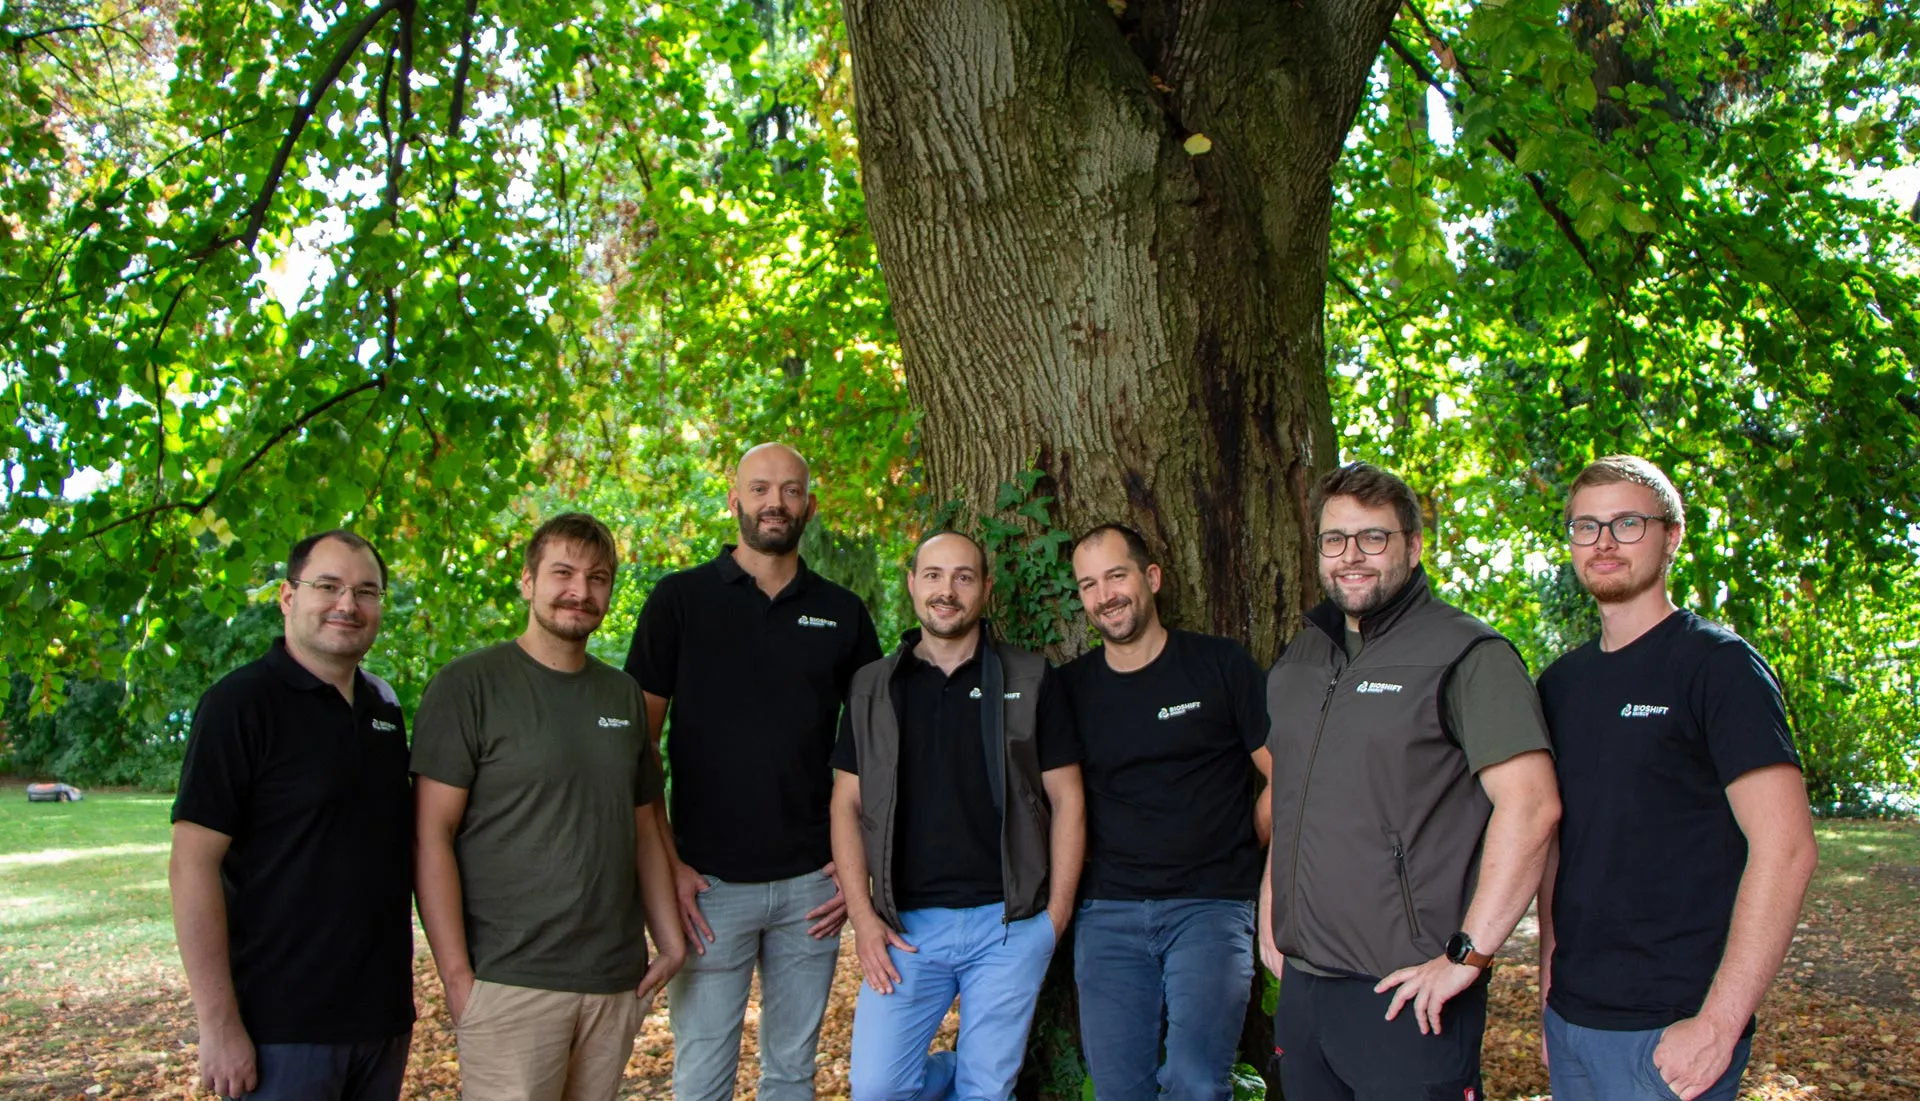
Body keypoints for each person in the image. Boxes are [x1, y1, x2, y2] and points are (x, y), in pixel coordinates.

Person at [1261, 462, 1562, 1101]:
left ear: (1414, 545)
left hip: (1408, 996)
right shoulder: (1301, 659)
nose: (1352, 556)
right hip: (1306, 990)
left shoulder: (1466, 654)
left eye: (1374, 538)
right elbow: (1293, 796)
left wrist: (1468, 955)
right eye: (1334, 539)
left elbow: (1532, 807)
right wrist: (1270, 911)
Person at [1536, 456, 1817, 1101]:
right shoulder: (1560, 685)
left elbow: (1789, 848)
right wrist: (1552, 988)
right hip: (1574, 1020)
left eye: (1627, 523)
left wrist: (1719, 1025)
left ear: (1673, 535)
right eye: (1586, 526)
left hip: (1672, 1031)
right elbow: (1561, 851)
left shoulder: (1719, 668)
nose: (1603, 542)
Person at [623, 442, 882, 1101]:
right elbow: (635, 750)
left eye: (791, 490)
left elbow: (876, 749)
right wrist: (666, 862)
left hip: (810, 889)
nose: (776, 501)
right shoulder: (679, 601)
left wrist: (862, 858)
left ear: (810, 507)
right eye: (761, 488)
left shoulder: (844, 613)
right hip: (707, 885)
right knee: (702, 1079)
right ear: (733, 499)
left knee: (791, 1074)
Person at [412, 512, 685, 1101]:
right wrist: (459, 981)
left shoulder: (622, 695)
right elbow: (431, 834)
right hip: (511, 982)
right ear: (528, 580)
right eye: (563, 573)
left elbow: (641, 827)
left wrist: (671, 942)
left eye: (598, 578)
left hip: (614, 984)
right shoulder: (468, 686)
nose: (580, 592)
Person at [830, 531, 1086, 1101]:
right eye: (935, 575)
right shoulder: (872, 687)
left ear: (986, 589)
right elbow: (845, 805)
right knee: (876, 1089)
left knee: (988, 1091)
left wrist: (1054, 920)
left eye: (964, 576)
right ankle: (953, 1069)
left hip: (1008, 927)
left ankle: (973, 1071)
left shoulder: (1031, 678)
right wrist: (864, 919)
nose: (948, 590)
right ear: (913, 584)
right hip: (907, 930)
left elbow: (1068, 799)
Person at [169, 529, 414, 1101]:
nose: (347, 604)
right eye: (327, 586)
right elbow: (192, 867)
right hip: (279, 1031)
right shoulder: (238, 705)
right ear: (287, 597)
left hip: (381, 1023)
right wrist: (218, 1024)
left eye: (366, 591)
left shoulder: (385, 709)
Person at [1059, 524, 1271, 1101]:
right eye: (1088, 584)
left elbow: (1288, 774)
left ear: (1151, 578)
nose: (1105, 595)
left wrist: (1244, 833)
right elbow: (1052, 802)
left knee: (1197, 1084)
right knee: (1117, 1090)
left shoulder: (1220, 665)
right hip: (1107, 916)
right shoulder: (1069, 690)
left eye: (1116, 575)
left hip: (1209, 908)